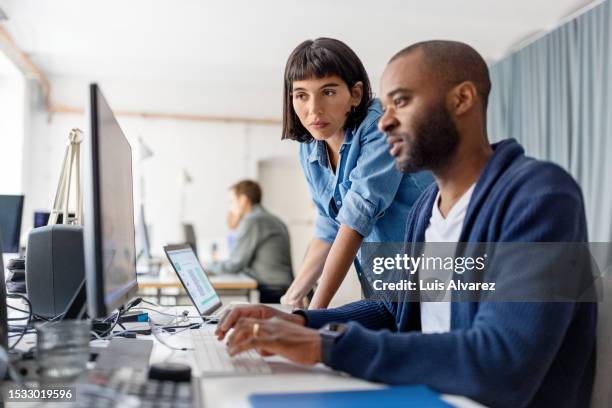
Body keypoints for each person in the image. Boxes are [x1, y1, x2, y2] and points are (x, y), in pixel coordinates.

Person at [214, 41, 597, 407]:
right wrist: (300, 320)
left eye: (400, 101)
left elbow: (503, 363)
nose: (384, 123)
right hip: (430, 391)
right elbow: (393, 311)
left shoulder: (539, 197)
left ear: (462, 99)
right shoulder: (426, 209)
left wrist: (325, 346)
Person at [280, 38, 433, 309]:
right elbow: (329, 225)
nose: (313, 109)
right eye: (301, 95)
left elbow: (356, 218)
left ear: (356, 94)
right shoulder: (310, 146)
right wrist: (293, 297)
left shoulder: (382, 127)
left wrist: (314, 313)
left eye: (327, 92)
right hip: (384, 289)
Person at [206, 180, 293, 303]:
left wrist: (207, 266)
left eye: (231, 202)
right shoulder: (271, 218)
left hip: (271, 289)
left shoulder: (253, 221)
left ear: (243, 200)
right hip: (282, 287)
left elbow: (235, 264)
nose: (230, 207)